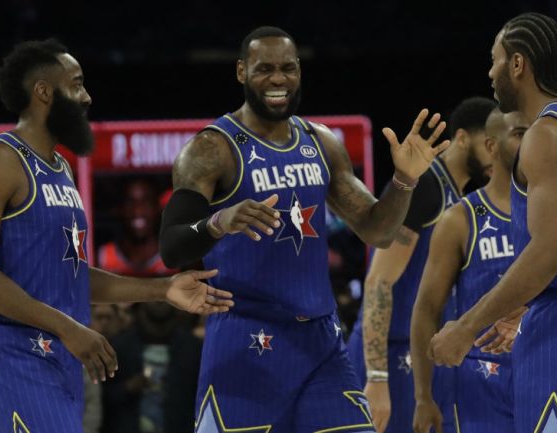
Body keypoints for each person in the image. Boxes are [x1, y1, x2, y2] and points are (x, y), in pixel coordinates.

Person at [158, 26, 449, 432]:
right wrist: (219, 221)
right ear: (241, 72)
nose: (278, 79)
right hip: (246, 342)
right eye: (264, 69)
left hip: (321, 347)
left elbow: (377, 231)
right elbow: (171, 247)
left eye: (288, 68)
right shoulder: (211, 150)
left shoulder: (322, 141)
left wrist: (404, 182)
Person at [0, 38, 233, 433]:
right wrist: (68, 327)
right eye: (77, 84)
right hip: (12, 347)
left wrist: (163, 288)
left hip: (62, 349)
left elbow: (71, 277)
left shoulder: (61, 171)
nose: (87, 96)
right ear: (44, 92)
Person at [428, 12, 557, 433]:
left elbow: (549, 251)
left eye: (495, 60)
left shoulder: (544, 135)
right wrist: (521, 305)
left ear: (518, 65)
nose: (490, 72)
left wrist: (467, 327)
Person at [345, 96, 496, 433]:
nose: (495, 155)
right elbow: (378, 282)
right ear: (461, 139)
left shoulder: (458, 200)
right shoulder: (425, 186)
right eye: (488, 144)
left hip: (421, 358)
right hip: (388, 356)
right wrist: (377, 378)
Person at [410, 108, 529, 433]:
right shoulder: (461, 219)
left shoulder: (553, 210)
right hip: (481, 381)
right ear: (491, 146)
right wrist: (423, 396)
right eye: (519, 134)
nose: (531, 141)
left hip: (543, 367)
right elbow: (425, 310)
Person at [97, 179, 178, 277]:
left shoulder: (177, 257)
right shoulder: (103, 257)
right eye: (130, 202)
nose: (138, 210)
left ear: (158, 208)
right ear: (119, 209)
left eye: (146, 202)